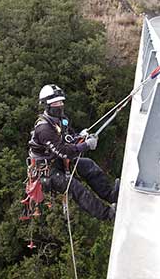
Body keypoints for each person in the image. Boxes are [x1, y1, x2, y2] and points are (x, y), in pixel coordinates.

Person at [27, 84, 119, 220]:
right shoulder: (44, 128)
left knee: (88, 165)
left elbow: (66, 138)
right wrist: (86, 145)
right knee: (76, 188)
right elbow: (64, 151)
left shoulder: (60, 120)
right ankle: (107, 214)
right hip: (47, 169)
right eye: (56, 103)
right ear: (47, 106)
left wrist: (80, 137)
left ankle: (111, 195)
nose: (60, 105)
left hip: (56, 160)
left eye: (61, 102)